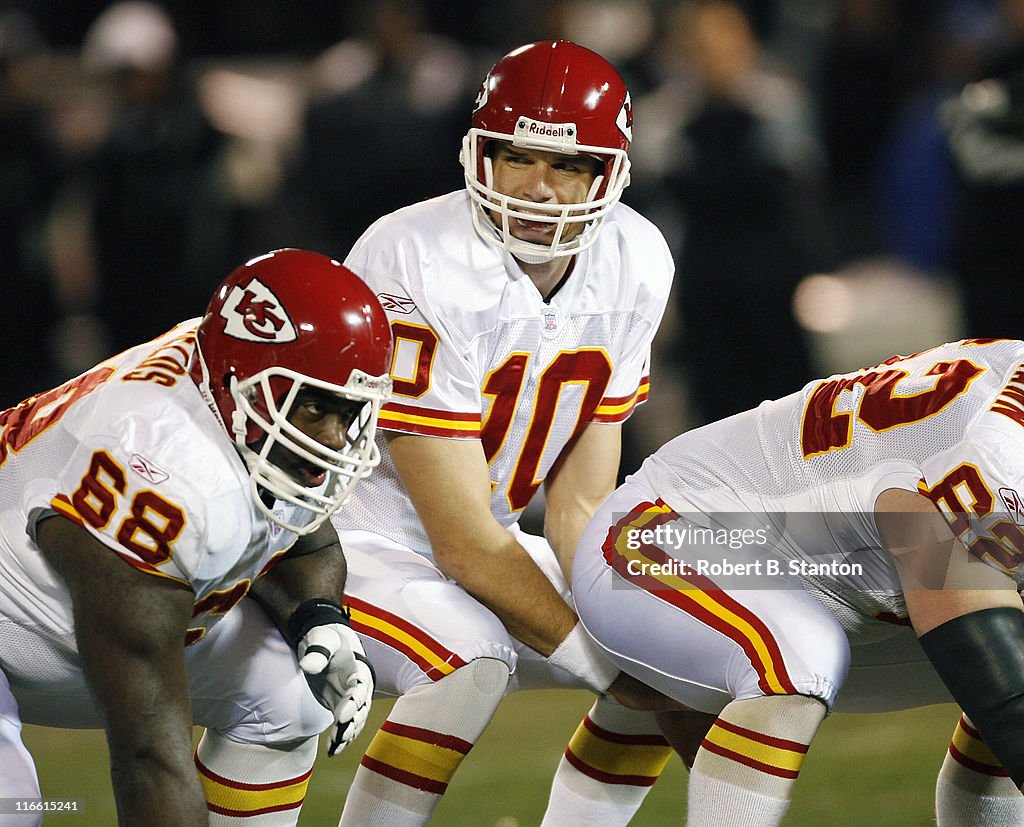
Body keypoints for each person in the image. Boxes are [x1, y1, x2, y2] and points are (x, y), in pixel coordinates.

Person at [329, 40, 684, 826]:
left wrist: (648, 643)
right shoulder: (413, 254)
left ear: (612, 173)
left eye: (569, 166)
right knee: (470, 656)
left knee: (674, 644)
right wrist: (607, 666)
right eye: (515, 156)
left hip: (486, 532)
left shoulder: (638, 255)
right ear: (477, 153)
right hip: (363, 538)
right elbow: (457, 542)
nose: (537, 189)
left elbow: (579, 502)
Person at [0, 248, 393, 825]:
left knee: (288, 698)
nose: (335, 441)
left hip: (69, 621)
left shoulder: (239, 389)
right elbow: (148, 759)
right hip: (27, 619)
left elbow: (305, 539)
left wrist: (318, 616)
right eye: (314, 408)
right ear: (241, 385)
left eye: (348, 410)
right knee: (15, 807)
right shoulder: (156, 472)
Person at [572, 337, 1024, 826]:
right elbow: (1002, 694)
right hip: (668, 527)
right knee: (799, 655)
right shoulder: (996, 455)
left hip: (840, 582)